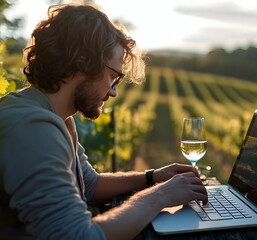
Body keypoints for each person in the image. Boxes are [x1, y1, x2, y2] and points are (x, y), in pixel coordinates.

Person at [0, 4, 208, 240]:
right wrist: (160, 195)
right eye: (113, 76)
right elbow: (80, 236)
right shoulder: (32, 127)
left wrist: (152, 177)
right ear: (82, 62)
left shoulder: (53, 116)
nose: (113, 93)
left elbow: (89, 185)